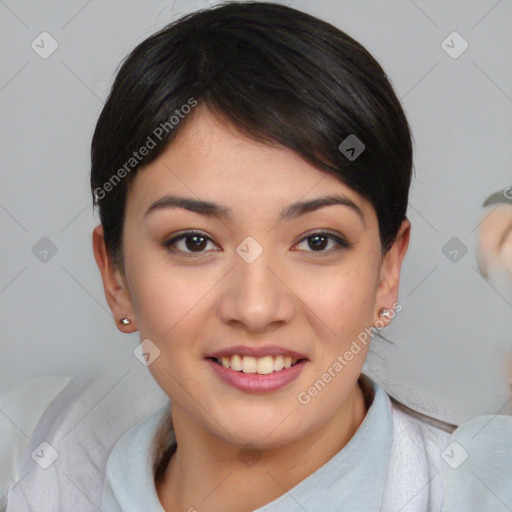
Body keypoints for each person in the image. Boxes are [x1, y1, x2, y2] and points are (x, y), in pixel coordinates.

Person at [5, 2, 512, 511]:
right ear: (115, 275)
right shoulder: (40, 471)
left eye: (317, 241)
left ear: (387, 271)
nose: (255, 307)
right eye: (194, 241)